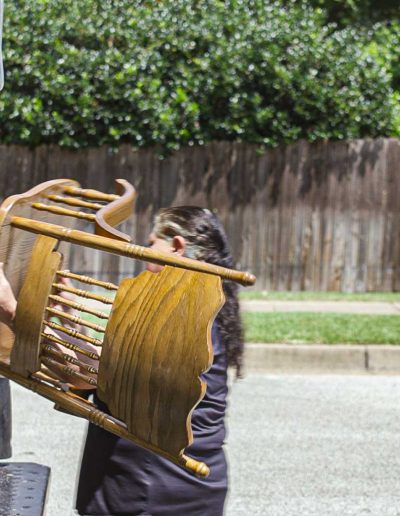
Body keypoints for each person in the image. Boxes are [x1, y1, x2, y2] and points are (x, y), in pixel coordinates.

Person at [0, 206, 244, 516]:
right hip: (171, 487)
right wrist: (71, 317)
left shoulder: (183, 314)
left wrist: (12, 309)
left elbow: (95, 373)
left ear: (177, 247)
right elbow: (92, 371)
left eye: (151, 243)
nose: (144, 254)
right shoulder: (202, 304)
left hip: (151, 490)